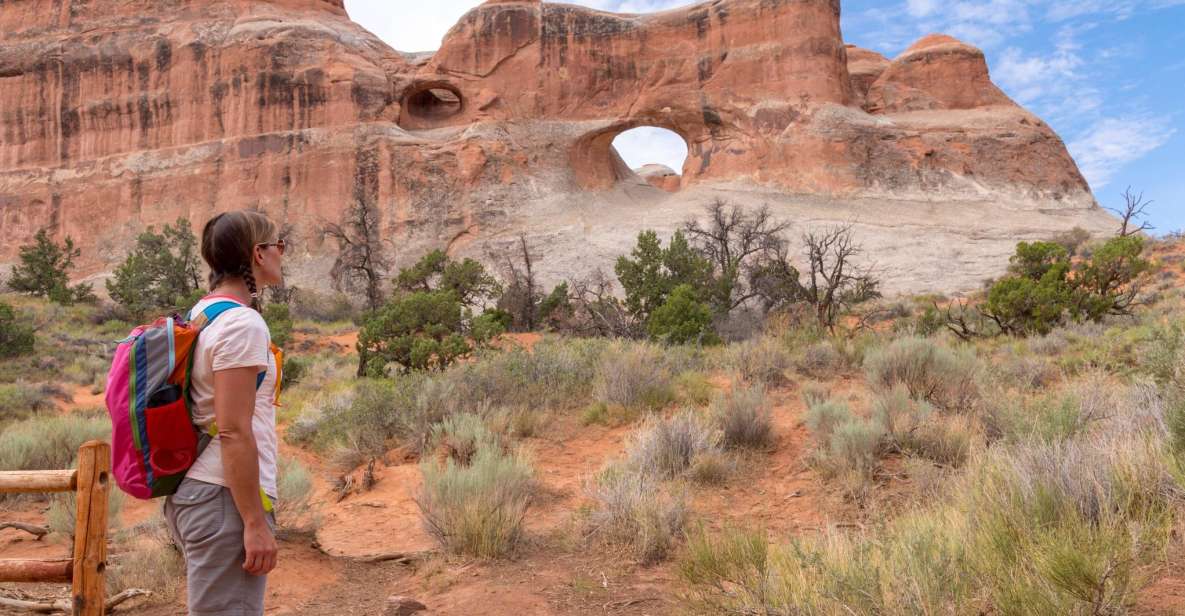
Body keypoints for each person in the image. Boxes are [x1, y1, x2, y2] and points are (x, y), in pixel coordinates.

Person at [164, 210, 285, 616]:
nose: (282, 254)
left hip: (203, 491)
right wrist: (254, 521)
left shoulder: (204, 314)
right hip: (224, 498)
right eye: (278, 245)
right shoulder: (241, 324)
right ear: (258, 254)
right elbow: (233, 430)